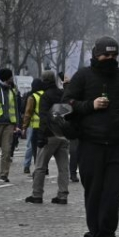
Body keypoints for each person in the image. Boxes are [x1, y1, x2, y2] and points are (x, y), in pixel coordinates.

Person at [62, 37, 119, 237]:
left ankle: (107, 236)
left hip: (118, 144)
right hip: (91, 144)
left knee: (113, 193)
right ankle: (93, 236)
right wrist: (91, 105)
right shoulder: (83, 76)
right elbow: (66, 103)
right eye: (106, 55)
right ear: (96, 55)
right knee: (94, 193)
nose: (110, 59)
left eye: (114, 55)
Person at [24, 71, 70, 205]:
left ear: (44, 81)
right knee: (63, 168)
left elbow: (44, 117)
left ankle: (37, 194)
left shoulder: (45, 96)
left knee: (40, 167)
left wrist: (41, 136)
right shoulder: (62, 94)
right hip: (62, 134)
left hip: (49, 135)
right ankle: (62, 195)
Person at [21, 78, 44, 174]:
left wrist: (24, 126)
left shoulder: (32, 96)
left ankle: (27, 165)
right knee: (43, 147)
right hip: (44, 124)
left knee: (30, 146)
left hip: (33, 124)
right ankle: (43, 166)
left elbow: (28, 112)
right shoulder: (45, 94)